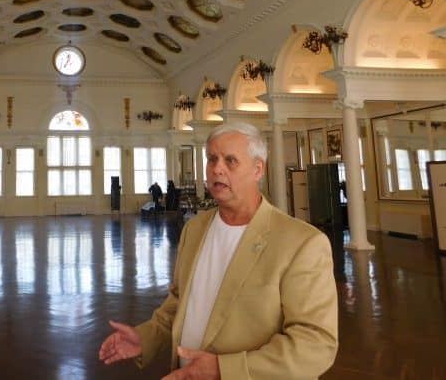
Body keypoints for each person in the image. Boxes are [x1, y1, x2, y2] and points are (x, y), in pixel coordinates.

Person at [99, 122, 338, 379]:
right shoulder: (195, 229)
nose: (217, 169)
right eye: (212, 159)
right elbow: (180, 302)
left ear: (258, 169)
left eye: (230, 160)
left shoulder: (302, 243)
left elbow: (315, 344)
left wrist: (223, 370)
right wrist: (146, 338)